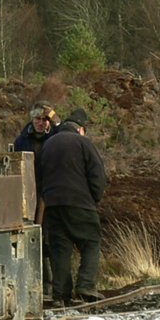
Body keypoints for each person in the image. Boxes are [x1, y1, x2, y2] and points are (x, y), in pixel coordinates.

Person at [39, 108, 108, 306]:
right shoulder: (83, 143)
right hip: (80, 203)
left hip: (53, 205)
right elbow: (97, 176)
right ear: (81, 129)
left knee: (61, 250)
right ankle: (85, 285)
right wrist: (95, 198)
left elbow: (40, 175)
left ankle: (61, 294)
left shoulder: (48, 144)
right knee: (91, 242)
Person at [14, 101, 59, 300]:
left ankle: (55, 284)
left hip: (52, 192)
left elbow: (63, 130)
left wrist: (54, 116)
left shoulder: (57, 137)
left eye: (44, 119)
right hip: (30, 194)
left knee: (53, 240)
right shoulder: (23, 140)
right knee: (35, 239)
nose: (41, 123)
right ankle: (38, 283)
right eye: (38, 119)